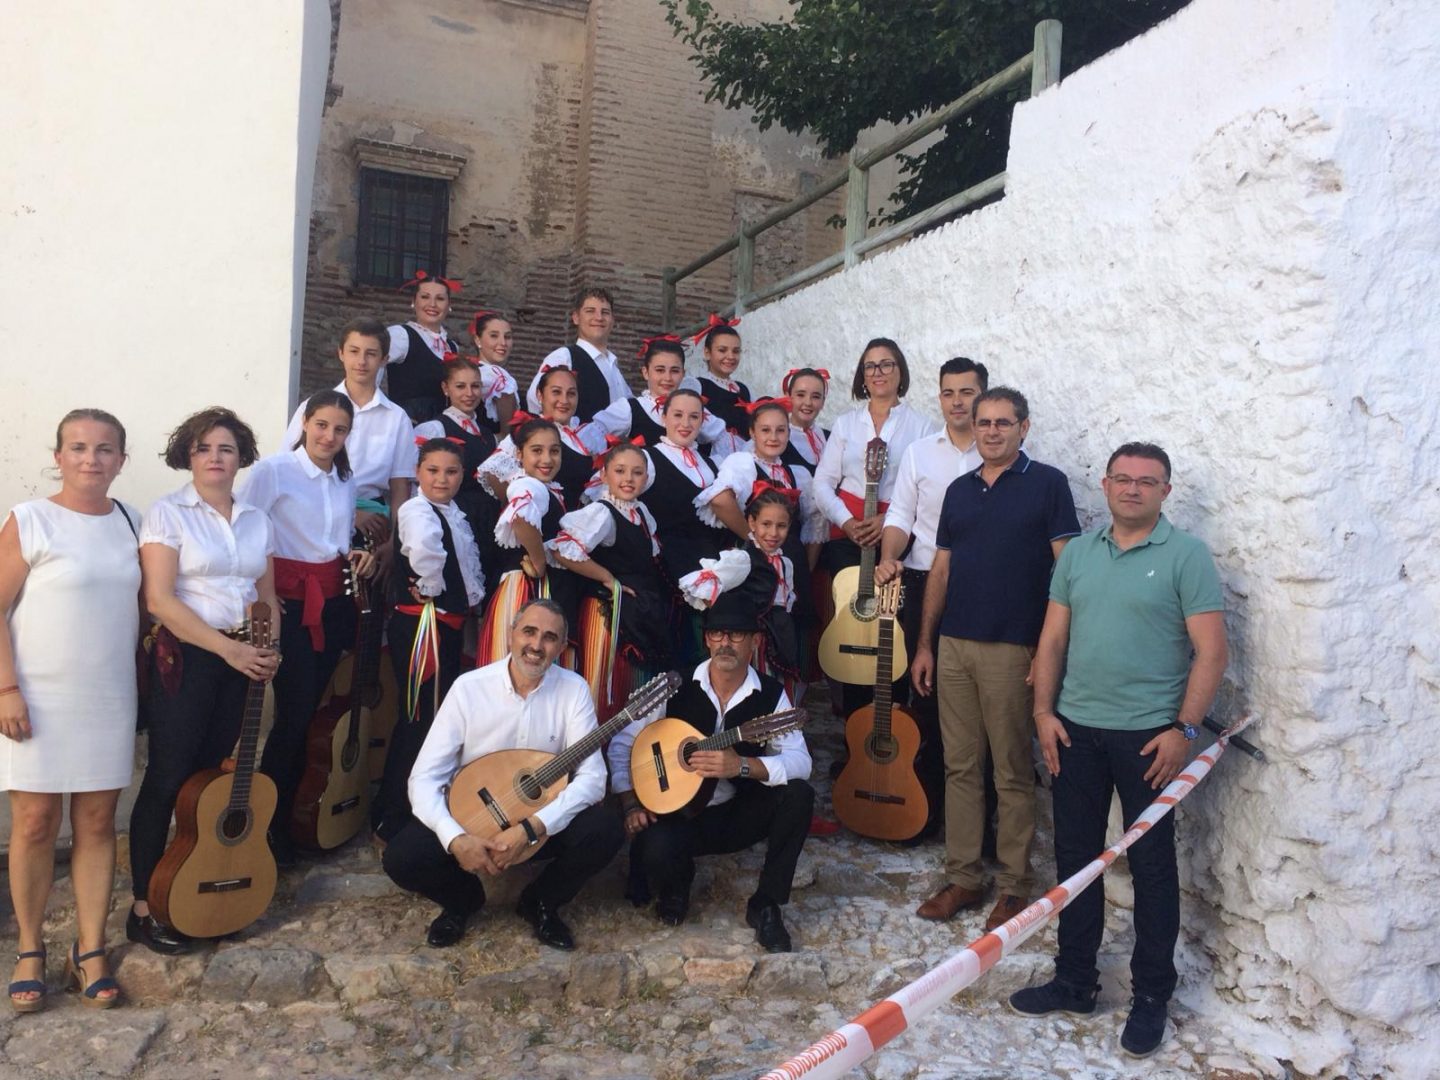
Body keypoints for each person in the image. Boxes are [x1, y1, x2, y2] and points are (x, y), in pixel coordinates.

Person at [1010, 442, 1227, 1059]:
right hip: (1074, 731)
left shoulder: (1186, 556)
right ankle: (1075, 981)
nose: (1133, 489)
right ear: (1105, 486)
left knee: (1153, 870)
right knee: (1077, 862)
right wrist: (1043, 713)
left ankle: (1151, 995)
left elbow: (1212, 653)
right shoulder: (1079, 553)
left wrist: (1184, 730)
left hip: (1148, 740)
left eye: (1147, 481)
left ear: (1165, 490)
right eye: (1123, 479)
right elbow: (1052, 639)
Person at [910, 388, 1080, 931]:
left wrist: (1045, 651)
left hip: (1014, 648)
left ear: (1023, 427)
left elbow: (1068, 573)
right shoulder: (959, 491)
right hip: (954, 646)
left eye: (1003, 423)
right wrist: (924, 644)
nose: (991, 431)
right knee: (960, 766)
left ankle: (1012, 887)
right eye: (983, 422)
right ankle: (964, 877)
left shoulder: (1048, 484)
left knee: (1009, 769)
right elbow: (941, 570)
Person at [383, 599, 623, 950]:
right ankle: (462, 901)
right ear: (511, 633)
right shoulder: (469, 688)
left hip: (537, 824)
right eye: (529, 631)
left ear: (560, 647)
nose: (536, 646)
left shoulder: (573, 691)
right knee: (401, 858)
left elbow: (592, 778)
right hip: (472, 818)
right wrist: (456, 839)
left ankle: (540, 901)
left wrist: (533, 827)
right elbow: (424, 778)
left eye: (549, 637)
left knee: (605, 829)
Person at [127, 408, 280, 956]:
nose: (215, 458)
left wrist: (267, 649)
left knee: (208, 784)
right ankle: (145, 906)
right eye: (204, 448)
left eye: (226, 448)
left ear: (241, 458)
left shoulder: (257, 517)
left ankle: (193, 888)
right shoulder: (168, 513)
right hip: (189, 658)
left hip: (241, 660)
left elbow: (266, 593)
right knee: (168, 778)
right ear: (187, 457)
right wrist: (229, 649)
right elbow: (159, 600)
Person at [0, 409, 138, 1010]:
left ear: (121, 461)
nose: (91, 458)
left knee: (97, 824)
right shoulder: (30, 520)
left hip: (108, 694)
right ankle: (30, 947)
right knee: (33, 824)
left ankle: (89, 949)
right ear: (57, 455)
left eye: (104, 449)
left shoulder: (131, 522)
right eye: (78, 447)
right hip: (37, 695)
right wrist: (6, 688)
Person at [611, 592, 814, 952]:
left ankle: (766, 903)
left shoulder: (771, 696)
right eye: (718, 633)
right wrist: (630, 802)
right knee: (654, 853)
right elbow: (623, 743)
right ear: (706, 639)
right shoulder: (673, 683)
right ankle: (678, 880)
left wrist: (743, 766)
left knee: (799, 795)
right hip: (676, 813)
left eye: (736, 635)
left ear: (754, 642)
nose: (726, 643)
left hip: (736, 814)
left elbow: (801, 762)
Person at [241, 391, 376, 865]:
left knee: (318, 716)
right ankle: (267, 830)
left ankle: (301, 816)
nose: (328, 437)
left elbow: (332, 540)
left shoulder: (344, 478)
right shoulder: (272, 471)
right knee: (293, 718)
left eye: (339, 430)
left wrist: (354, 552)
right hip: (291, 609)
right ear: (305, 424)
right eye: (321, 425)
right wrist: (263, 591)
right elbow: (246, 530)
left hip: (334, 604)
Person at [875, 357, 988, 835]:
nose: (957, 401)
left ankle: (978, 826)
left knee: (978, 708)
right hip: (922, 583)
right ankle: (925, 812)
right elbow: (901, 516)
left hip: (982, 588)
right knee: (922, 698)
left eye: (967, 392)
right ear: (939, 397)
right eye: (949, 392)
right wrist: (888, 556)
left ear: (982, 395)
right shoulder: (921, 453)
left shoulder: (996, 452)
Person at [813, 338, 937, 718]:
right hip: (848, 535)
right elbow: (822, 483)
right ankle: (853, 731)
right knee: (854, 627)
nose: (878, 372)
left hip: (896, 537)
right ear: (861, 376)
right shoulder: (847, 423)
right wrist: (849, 523)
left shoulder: (922, 425)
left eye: (887, 365)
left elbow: (923, 486)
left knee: (890, 630)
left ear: (901, 372)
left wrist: (889, 520)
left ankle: (891, 722)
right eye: (870, 366)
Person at [373, 439, 486, 842]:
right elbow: (423, 552)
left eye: (451, 471)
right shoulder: (417, 510)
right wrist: (430, 586)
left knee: (436, 719)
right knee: (417, 719)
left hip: (445, 625)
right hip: (424, 627)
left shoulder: (453, 513)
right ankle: (392, 814)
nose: (442, 479)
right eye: (433, 470)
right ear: (418, 473)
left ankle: (423, 805)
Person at [549, 444, 671, 718]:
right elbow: (562, 550)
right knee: (604, 684)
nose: (628, 478)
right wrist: (606, 577)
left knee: (631, 688)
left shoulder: (641, 513)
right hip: (608, 612)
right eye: (620, 471)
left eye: (637, 472)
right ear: (604, 475)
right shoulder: (602, 513)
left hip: (638, 613)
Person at [285, 318, 416, 552]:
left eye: (371, 354)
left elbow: (400, 488)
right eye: (354, 351)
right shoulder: (312, 408)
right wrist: (349, 514)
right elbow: (290, 467)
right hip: (314, 511)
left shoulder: (396, 418)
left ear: (384, 359)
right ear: (341, 353)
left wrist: (394, 544)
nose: (361, 362)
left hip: (373, 526)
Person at [475, 420, 579, 669]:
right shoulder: (528, 485)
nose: (547, 459)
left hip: (527, 586)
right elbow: (520, 517)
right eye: (537, 450)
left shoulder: (541, 487)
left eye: (554, 451)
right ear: (519, 455)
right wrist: (539, 561)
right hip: (527, 589)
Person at [412, 357, 502, 584]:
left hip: (487, 523)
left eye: (475, 386)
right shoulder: (434, 429)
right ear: (446, 388)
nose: (469, 393)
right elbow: (418, 482)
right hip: (453, 520)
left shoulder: (489, 436)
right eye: (460, 386)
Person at [488, 367, 609, 512]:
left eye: (571, 393)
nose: (564, 400)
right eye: (556, 392)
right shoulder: (530, 428)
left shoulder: (578, 439)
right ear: (540, 395)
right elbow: (493, 474)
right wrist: (525, 511)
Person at [592, 335, 726, 449]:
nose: (667, 378)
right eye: (660, 370)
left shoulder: (693, 408)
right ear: (646, 372)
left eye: (674, 371)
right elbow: (593, 435)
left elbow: (723, 438)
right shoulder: (630, 409)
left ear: (683, 374)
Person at [524, 287, 632, 421]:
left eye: (605, 312)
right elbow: (535, 400)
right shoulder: (564, 357)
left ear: (612, 320)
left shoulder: (614, 368)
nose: (599, 317)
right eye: (590, 311)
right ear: (576, 318)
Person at [386, 270, 462, 423]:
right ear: (414, 301)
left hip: (441, 429)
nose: (432, 304)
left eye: (440, 298)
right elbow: (373, 371)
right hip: (407, 426)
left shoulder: (452, 347)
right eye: (425, 297)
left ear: (449, 305)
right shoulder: (400, 336)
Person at [689, 315, 749, 459]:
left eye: (736, 351)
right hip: (709, 462)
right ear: (707, 353)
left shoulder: (744, 390)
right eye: (722, 350)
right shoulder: (697, 386)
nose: (730, 356)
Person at [467, 309, 518, 432]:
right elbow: (507, 432)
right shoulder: (494, 375)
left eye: (508, 337)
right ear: (477, 340)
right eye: (494, 336)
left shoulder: (471, 371)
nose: (503, 343)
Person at [778, 367, 830, 471]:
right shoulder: (775, 440)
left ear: (823, 402)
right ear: (788, 397)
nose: (808, 403)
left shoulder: (831, 439)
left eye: (815, 397)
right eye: (800, 395)